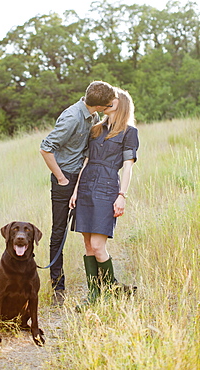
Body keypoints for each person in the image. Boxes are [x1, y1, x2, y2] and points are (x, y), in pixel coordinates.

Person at [40, 81, 118, 306]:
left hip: (83, 178)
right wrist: (62, 179)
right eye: (109, 101)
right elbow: (46, 148)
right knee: (59, 231)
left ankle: (105, 284)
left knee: (90, 230)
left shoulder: (92, 116)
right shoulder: (73, 117)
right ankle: (58, 286)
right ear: (101, 104)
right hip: (65, 179)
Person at [69, 87, 139, 306]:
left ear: (122, 103)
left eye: (114, 98)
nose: (110, 100)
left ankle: (108, 292)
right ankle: (93, 295)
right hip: (87, 186)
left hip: (107, 188)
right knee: (88, 246)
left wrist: (122, 196)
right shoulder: (96, 129)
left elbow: (128, 167)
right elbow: (86, 162)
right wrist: (75, 190)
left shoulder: (129, 132)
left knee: (99, 246)